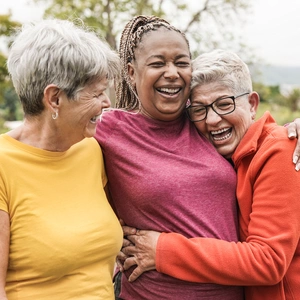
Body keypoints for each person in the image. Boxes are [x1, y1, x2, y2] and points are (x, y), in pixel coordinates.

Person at [120, 49, 300, 299]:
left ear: (252, 104)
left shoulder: (279, 150)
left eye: (224, 104)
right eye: (200, 110)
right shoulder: (231, 156)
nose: (213, 119)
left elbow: (267, 260)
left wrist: (162, 250)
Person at [95, 16, 244, 299]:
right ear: (130, 72)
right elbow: (49, 145)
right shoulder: (110, 131)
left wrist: (292, 128)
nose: (172, 72)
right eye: (157, 63)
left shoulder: (206, 119)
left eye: (181, 62)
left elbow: (256, 134)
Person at [0, 19, 123, 299]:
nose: (107, 103)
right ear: (54, 98)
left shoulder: (91, 149)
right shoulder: (3, 166)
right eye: (97, 93)